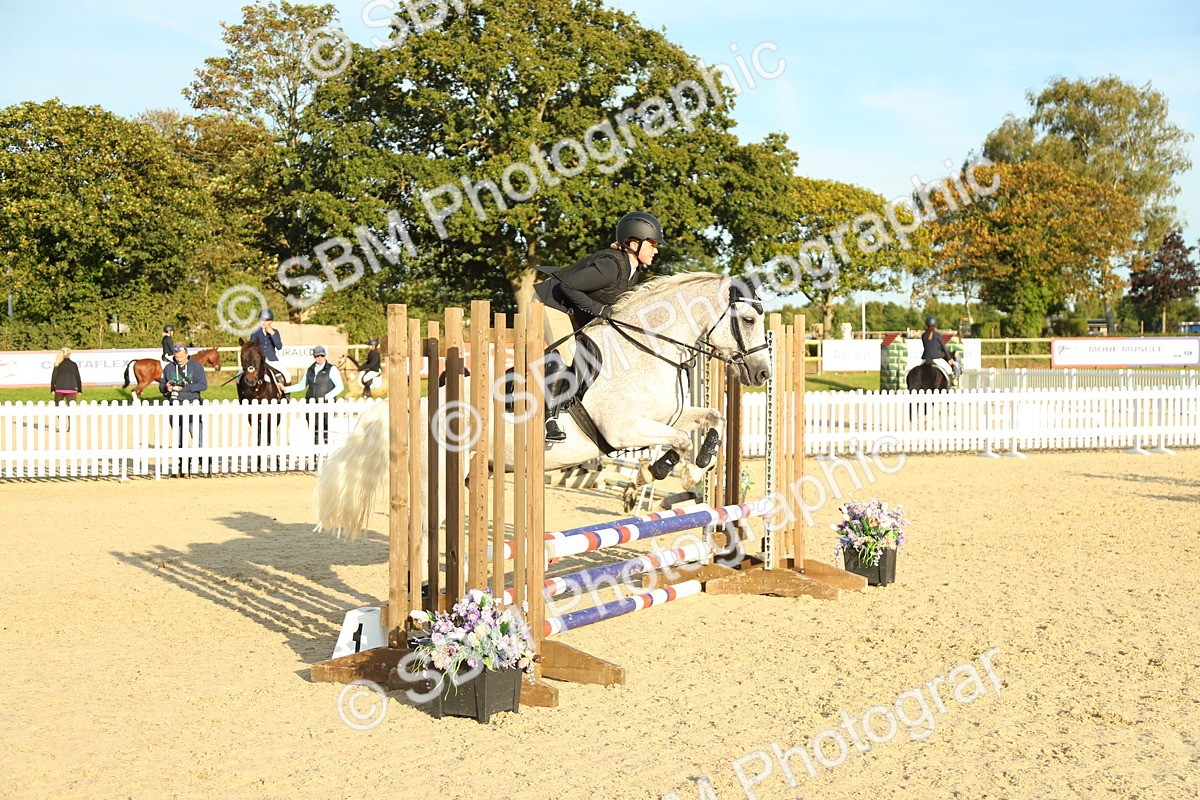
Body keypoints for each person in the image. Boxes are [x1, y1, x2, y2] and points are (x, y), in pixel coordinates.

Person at [532, 211, 664, 441]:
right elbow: (568, 287)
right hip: (549, 304)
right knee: (569, 353)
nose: (656, 249)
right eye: (652, 244)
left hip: (572, 310)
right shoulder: (611, 266)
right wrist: (600, 310)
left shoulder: (632, 271)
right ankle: (549, 420)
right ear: (634, 243)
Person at [160, 344, 208, 475]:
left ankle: (205, 465)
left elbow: (203, 385)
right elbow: (161, 386)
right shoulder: (169, 367)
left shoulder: (197, 367)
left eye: (181, 356)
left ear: (187, 354)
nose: (179, 359)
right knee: (179, 438)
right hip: (175, 405)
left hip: (192, 403)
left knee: (198, 437)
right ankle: (183, 467)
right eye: (177, 357)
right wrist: (167, 388)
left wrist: (185, 388)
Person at [286, 346, 345, 443]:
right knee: (313, 430)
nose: (320, 358)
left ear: (325, 356)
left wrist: (328, 396)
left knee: (326, 429)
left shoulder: (332, 369)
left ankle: (327, 453)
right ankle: (315, 454)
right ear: (314, 357)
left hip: (326, 404)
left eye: (322, 355)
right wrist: (286, 389)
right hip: (311, 404)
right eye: (317, 356)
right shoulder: (310, 370)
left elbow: (340, 386)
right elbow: (302, 385)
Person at [249, 309, 289, 385]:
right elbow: (251, 347)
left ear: (270, 321)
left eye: (266, 320)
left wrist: (272, 334)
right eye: (261, 320)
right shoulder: (255, 332)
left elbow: (279, 346)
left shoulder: (275, 332)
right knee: (239, 376)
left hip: (272, 360)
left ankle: (285, 394)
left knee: (287, 375)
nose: (263, 322)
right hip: (258, 361)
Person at [50, 348, 83, 430]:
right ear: (69, 354)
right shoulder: (73, 364)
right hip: (71, 388)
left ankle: (61, 424)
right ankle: (70, 426)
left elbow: (54, 377)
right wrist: (79, 389)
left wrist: (52, 389)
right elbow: (78, 377)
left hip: (59, 388)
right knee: (71, 408)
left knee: (58, 407)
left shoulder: (58, 364)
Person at [919, 316, 957, 382]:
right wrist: (949, 359)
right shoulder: (937, 334)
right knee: (949, 370)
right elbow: (943, 347)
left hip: (925, 358)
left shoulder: (923, 335)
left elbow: (928, 347)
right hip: (936, 358)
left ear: (926, 325)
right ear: (935, 325)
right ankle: (948, 386)